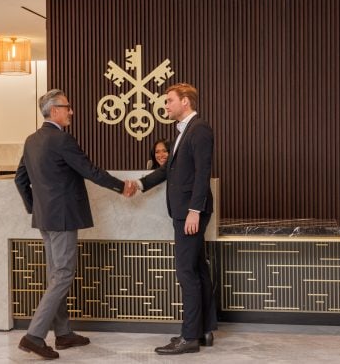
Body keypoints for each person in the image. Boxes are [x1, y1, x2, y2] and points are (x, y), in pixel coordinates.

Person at [14, 89, 136, 360]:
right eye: (67, 107)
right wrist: (120, 186)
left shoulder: (31, 140)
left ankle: (63, 333)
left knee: (56, 275)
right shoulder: (62, 139)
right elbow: (89, 170)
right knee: (63, 275)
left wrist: (36, 207)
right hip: (63, 218)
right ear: (54, 110)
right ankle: (34, 336)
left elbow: (20, 179)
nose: (71, 111)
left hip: (46, 219)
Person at [134, 83, 217, 355]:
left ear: (185, 101)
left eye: (169, 101)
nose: (166, 106)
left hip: (189, 213)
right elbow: (168, 170)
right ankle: (203, 330)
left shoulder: (199, 129)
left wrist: (195, 210)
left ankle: (189, 337)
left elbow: (203, 172)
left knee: (186, 272)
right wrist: (140, 184)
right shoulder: (182, 132)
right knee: (197, 269)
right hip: (184, 212)